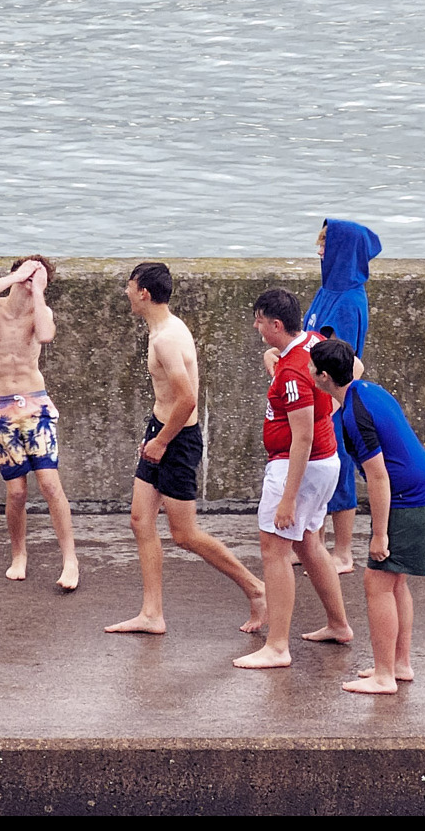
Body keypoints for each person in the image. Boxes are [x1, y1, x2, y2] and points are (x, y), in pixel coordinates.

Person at [106, 262, 267, 636]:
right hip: (161, 429)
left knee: (185, 534)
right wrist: (155, 433)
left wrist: (161, 442)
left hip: (176, 439)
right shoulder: (162, 328)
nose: (127, 292)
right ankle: (151, 614)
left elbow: (188, 399)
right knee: (140, 519)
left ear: (143, 292)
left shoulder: (166, 338)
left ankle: (256, 589)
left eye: (130, 286)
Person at [309, 337, 425, 694]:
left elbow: (379, 477)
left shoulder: (355, 415)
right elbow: (353, 365)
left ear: (323, 377)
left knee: (377, 582)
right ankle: (399, 665)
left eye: (312, 368)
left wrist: (379, 535)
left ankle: (385, 675)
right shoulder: (365, 390)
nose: (308, 371)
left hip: (409, 499)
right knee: (395, 581)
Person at [234, 289, 352, 669]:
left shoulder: (291, 375)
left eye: (259, 321)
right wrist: (328, 409)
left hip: (296, 467)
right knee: (308, 544)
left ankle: (277, 646)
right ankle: (338, 624)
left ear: (276, 324)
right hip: (325, 464)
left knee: (274, 550)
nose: (256, 326)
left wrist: (286, 499)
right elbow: (356, 369)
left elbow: (301, 437)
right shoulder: (317, 344)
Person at [0, 256, 79, 590]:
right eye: (26, 275)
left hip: (34, 405)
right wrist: (17, 276)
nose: (29, 281)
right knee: (16, 492)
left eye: (38, 276)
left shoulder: (41, 312)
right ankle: (19, 554)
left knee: (49, 483)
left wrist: (39, 291)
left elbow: (46, 335)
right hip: (0, 409)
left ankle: (70, 561)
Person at [299, 219, 382, 574]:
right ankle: (311, 546)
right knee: (311, 475)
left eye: (325, 246)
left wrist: (329, 409)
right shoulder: (327, 290)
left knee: (340, 473)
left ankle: (343, 552)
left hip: (332, 399)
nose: (320, 252)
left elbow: (347, 360)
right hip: (314, 393)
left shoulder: (348, 300)